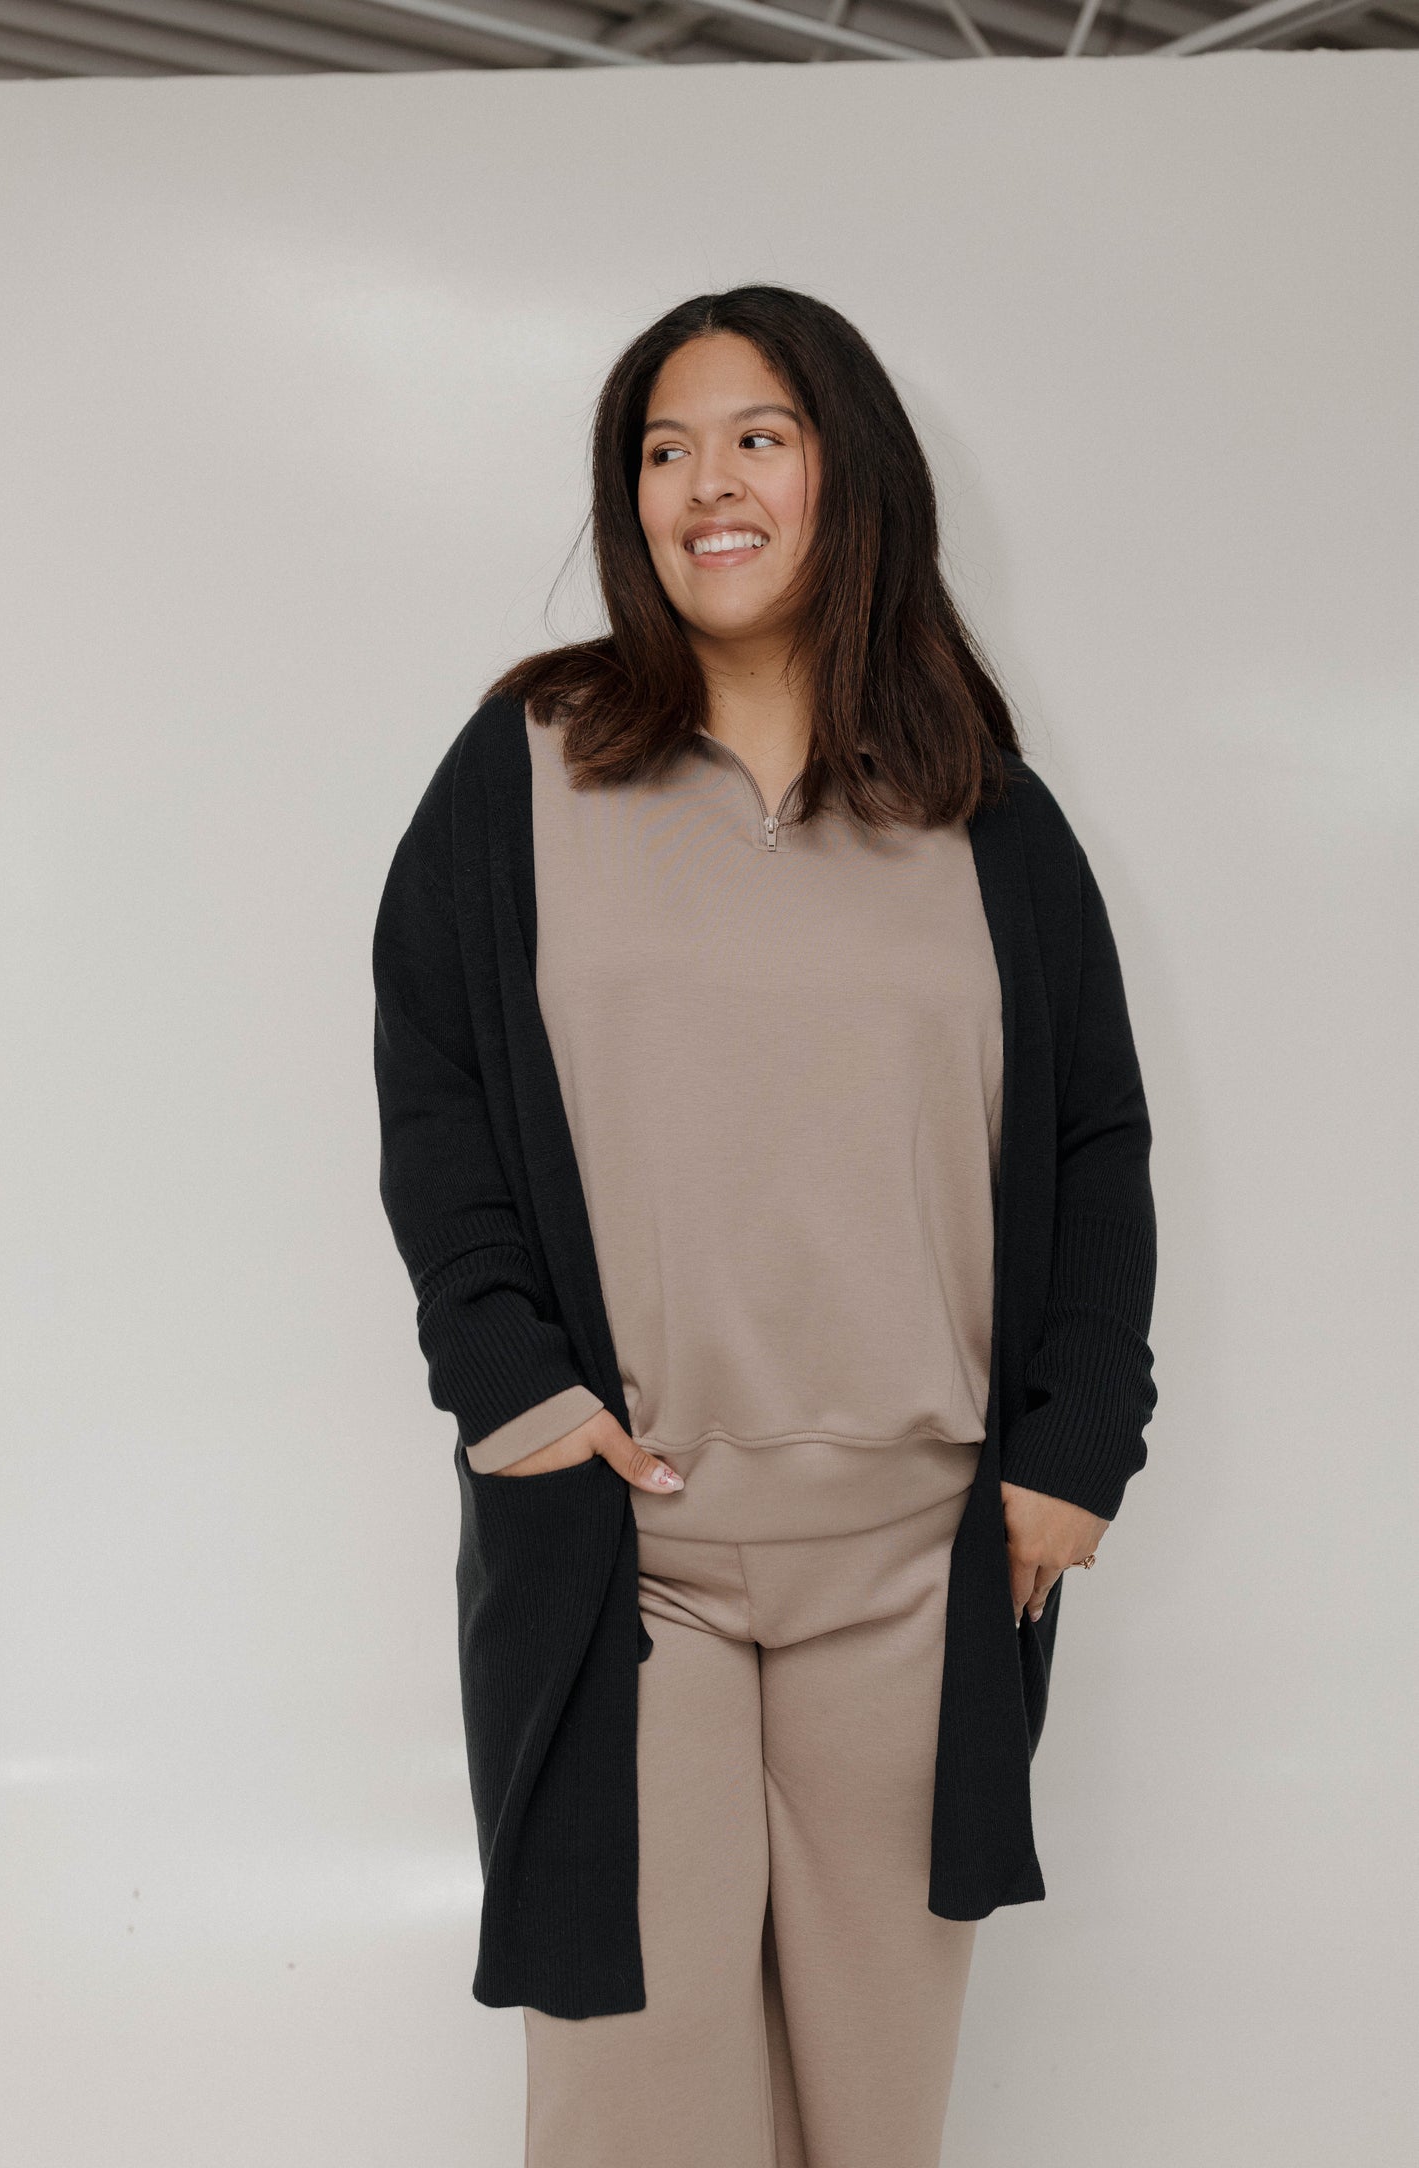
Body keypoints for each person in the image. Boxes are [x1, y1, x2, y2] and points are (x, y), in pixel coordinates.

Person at [371, 284, 1158, 2168]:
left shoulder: (986, 812)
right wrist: (507, 1385)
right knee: (634, 2106)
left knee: (869, 2113)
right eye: (663, 449)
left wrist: (1078, 1448)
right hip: (629, 1561)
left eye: (755, 438)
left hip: (918, 1565)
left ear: (845, 473)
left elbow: (1093, 1140)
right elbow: (434, 1087)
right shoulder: (527, 766)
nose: (702, 485)